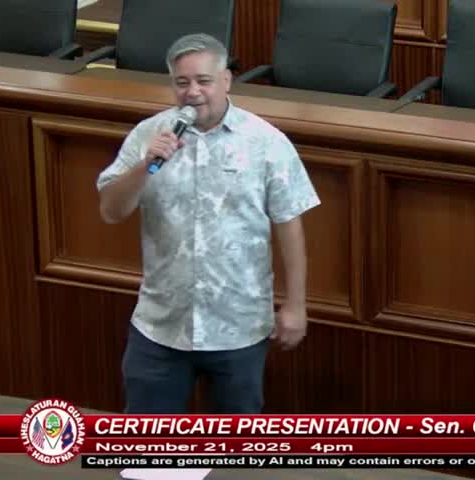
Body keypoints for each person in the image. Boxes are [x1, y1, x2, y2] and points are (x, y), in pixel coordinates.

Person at [96, 33, 319, 414]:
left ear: (226, 80)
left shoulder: (266, 142)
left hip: (239, 327)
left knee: (235, 456)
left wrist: (296, 305)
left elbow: (289, 225)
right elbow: (111, 211)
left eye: (203, 81)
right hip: (161, 325)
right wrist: (144, 167)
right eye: (182, 83)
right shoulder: (149, 136)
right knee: (148, 453)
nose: (192, 92)